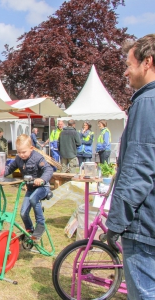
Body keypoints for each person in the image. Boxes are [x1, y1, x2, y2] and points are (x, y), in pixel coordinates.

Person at [106, 34, 155, 298]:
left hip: (144, 225)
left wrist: (116, 222)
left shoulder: (147, 103)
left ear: (147, 62)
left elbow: (139, 170)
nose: (125, 71)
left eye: (129, 64)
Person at [4, 134, 53, 240]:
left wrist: (42, 179)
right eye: (19, 152)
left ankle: (40, 225)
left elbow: (48, 170)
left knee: (33, 198)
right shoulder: (18, 159)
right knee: (23, 213)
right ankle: (29, 230)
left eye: (24, 152)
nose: (21, 155)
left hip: (42, 187)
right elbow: (10, 168)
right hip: (31, 189)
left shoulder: (38, 158)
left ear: (31, 148)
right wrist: (0, 172)